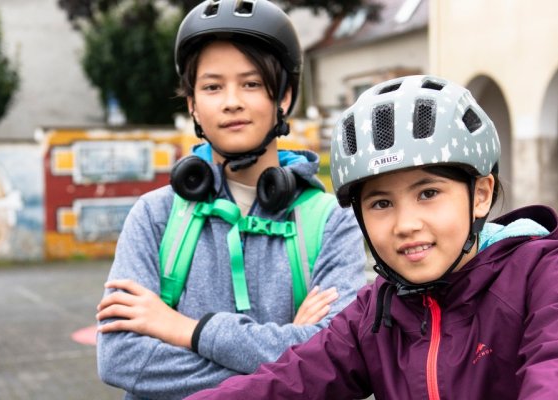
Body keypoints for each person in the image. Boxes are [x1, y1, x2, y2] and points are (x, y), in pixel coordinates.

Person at [188, 75, 558, 399]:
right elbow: (286, 382)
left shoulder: (545, 273)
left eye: (428, 193)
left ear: (481, 195)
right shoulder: (377, 310)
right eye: (380, 204)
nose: (405, 224)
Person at [94, 1, 368, 399]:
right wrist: (293, 352)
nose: (231, 101)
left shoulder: (330, 222)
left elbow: (339, 362)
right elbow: (121, 358)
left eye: (252, 83)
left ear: (285, 96)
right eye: (212, 86)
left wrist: (185, 329)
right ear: (192, 105)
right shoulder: (155, 215)